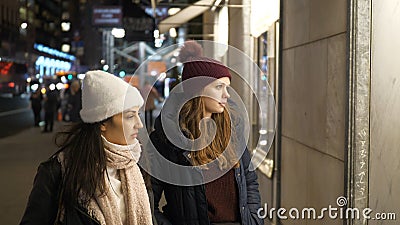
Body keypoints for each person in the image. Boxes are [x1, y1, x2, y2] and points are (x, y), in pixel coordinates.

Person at [148, 41, 263, 225]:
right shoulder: (167, 138)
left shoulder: (233, 129)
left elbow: (249, 181)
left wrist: (255, 219)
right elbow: (148, 200)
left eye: (227, 87)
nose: (227, 95)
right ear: (197, 90)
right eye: (219, 87)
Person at [20, 70, 153, 225]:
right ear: (102, 122)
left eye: (138, 114)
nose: (140, 124)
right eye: (130, 116)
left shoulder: (136, 162)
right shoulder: (59, 172)